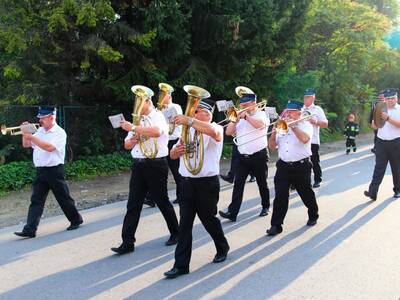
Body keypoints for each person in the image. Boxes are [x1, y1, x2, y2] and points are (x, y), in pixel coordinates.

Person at [164, 98, 230, 279]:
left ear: (207, 114)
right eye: (192, 111)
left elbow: (213, 133)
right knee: (184, 225)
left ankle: (222, 246)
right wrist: (175, 152)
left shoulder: (215, 127)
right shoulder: (187, 130)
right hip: (186, 183)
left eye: (196, 111)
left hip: (207, 183)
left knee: (209, 220)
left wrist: (189, 121)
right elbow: (172, 154)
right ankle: (181, 265)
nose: (191, 113)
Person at [111, 86, 179, 254]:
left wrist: (134, 129)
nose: (138, 104)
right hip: (139, 164)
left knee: (162, 201)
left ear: (148, 101)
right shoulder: (137, 119)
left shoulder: (158, 116)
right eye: (136, 101)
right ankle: (127, 242)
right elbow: (127, 145)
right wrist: (134, 136)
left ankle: (176, 233)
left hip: (156, 164)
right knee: (133, 204)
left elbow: (157, 132)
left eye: (140, 100)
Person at [14, 106, 83, 238]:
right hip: (41, 171)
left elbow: (49, 147)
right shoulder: (39, 131)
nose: (40, 121)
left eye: (43, 118)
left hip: (54, 170)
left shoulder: (59, 132)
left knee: (63, 198)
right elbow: (27, 145)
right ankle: (30, 229)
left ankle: (76, 219)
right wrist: (25, 133)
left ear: (51, 118)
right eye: (39, 118)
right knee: (36, 200)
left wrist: (32, 137)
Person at [266, 100, 319, 236]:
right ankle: (276, 225)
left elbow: (305, 139)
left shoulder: (306, 125)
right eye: (287, 111)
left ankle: (313, 214)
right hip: (283, 166)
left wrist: (293, 126)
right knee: (280, 196)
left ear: (299, 113)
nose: (288, 114)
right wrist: (272, 134)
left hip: (301, 166)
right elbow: (272, 147)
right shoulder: (281, 126)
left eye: (291, 112)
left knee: (306, 193)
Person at [219, 93, 270, 221]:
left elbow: (261, 126)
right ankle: (232, 212)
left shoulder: (261, 114)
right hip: (242, 157)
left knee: (262, 183)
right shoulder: (239, 117)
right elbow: (229, 132)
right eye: (242, 105)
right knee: (238, 185)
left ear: (253, 103)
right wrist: (235, 119)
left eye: (246, 105)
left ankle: (265, 206)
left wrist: (246, 116)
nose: (243, 107)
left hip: (259, 156)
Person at [364, 89, 400, 201]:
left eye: (392, 98)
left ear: (396, 98)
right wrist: (374, 125)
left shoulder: (399, 109)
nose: (390, 100)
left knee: (396, 168)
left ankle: (397, 190)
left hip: (396, 142)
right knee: (379, 168)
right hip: (381, 142)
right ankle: (372, 192)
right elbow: (375, 126)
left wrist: (388, 118)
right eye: (388, 98)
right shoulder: (379, 109)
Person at [158, 84, 184, 204]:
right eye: (160, 94)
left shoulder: (175, 107)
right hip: (163, 141)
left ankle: (181, 195)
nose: (160, 97)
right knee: (159, 171)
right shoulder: (159, 109)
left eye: (163, 95)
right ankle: (153, 197)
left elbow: (178, 121)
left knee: (176, 171)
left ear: (169, 96)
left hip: (173, 140)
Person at [302, 88, 328, 188]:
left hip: (313, 140)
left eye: (308, 97)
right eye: (305, 97)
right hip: (300, 140)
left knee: (314, 161)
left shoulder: (318, 109)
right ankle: (298, 182)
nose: (305, 99)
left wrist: (316, 121)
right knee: (300, 162)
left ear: (313, 98)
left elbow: (325, 124)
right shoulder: (300, 109)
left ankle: (317, 179)